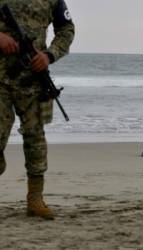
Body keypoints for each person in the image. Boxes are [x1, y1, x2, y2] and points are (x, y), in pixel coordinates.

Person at [0, 0, 74, 219]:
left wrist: (49, 55)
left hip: (33, 80)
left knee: (35, 139)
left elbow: (66, 29)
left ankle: (35, 199)